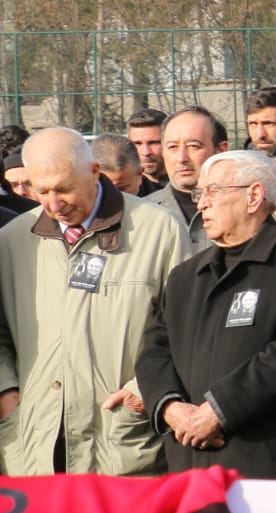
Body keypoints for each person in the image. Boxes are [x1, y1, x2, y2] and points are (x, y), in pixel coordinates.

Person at [135, 150, 276, 479]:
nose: (201, 203)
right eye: (199, 194)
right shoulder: (186, 276)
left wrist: (217, 411)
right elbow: (154, 351)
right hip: (189, 463)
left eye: (212, 192)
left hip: (268, 467)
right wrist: (172, 409)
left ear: (254, 196)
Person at [0, 127, 189, 476]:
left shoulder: (158, 230)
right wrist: (6, 392)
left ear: (94, 172)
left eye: (64, 189)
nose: (54, 204)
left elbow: (184, 326)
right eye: (42, 191)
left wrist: (143, 391)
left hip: (121, 442)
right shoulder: (12, 240)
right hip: (33, 445)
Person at [145, 105, 227, 248]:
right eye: (172, 147)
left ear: (220, 150)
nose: (182, 158)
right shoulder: (142, 214)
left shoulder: (244, 210)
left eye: (193, 146)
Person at [127, 108, 168, 195]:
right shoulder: (123, 189)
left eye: (154, 143)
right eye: (137, 144)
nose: (146, 152)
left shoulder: (188, 186)